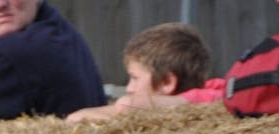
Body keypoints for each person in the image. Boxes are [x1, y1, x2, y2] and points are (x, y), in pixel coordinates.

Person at [66, 23, 224, 123]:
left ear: (167, 82)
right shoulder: (212, 91)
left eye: (135, 78)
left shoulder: (207, 98)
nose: (129, 88)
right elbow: (75, 118)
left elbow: (126, 105)